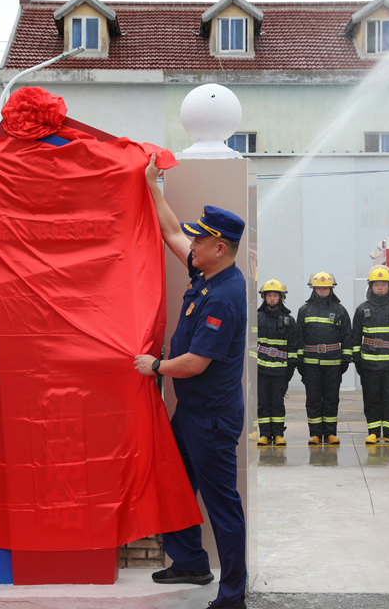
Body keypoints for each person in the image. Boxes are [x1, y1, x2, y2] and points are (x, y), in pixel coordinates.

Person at [133, 155, 248, 609]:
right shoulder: (207, 274)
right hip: (193, 413)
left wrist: (155, 367)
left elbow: (196, 363)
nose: (192, 244)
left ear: (219, 248)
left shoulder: (224, 296)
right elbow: (171, 232)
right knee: (175, 482)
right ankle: (190, 562)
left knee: (222, 506)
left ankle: (232, 593)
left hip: (212, 420)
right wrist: (152, 185)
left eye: (200, 240)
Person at [351, 266, 389, 444]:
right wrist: (357, 360)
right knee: (372, 399)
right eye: (376, 284)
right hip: (369, 365)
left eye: (383, 284)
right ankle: (374, 433)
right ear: (371, 286)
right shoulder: (362, 309)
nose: (380, 287)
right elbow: (355, 337)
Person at [297, 272, 351, 446]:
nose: (322, 290)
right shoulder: (304, 310)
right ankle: (315, 434)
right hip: (311, 364)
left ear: (331, 289)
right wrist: (300, 361)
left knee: (331, 399)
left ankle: (330, 434)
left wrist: (345, 359)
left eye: (325, 287)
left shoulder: (340, 310)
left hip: (333, 364)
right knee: (313, 399)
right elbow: (299, 337)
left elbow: (347, 336)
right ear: (313, 289)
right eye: (318, 287)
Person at [255, 279, 301, 447]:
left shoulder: (289, 320)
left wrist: (291, 368)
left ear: (281, 297)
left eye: (275, 295)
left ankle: (279, 434)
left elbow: (293, 346)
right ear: (264, 297)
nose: (272, 298)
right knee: (263, 403)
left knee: (277, 404)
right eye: (269, 295)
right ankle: (265, 434)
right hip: (261, 370)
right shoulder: (256, 318)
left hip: (280, 371)